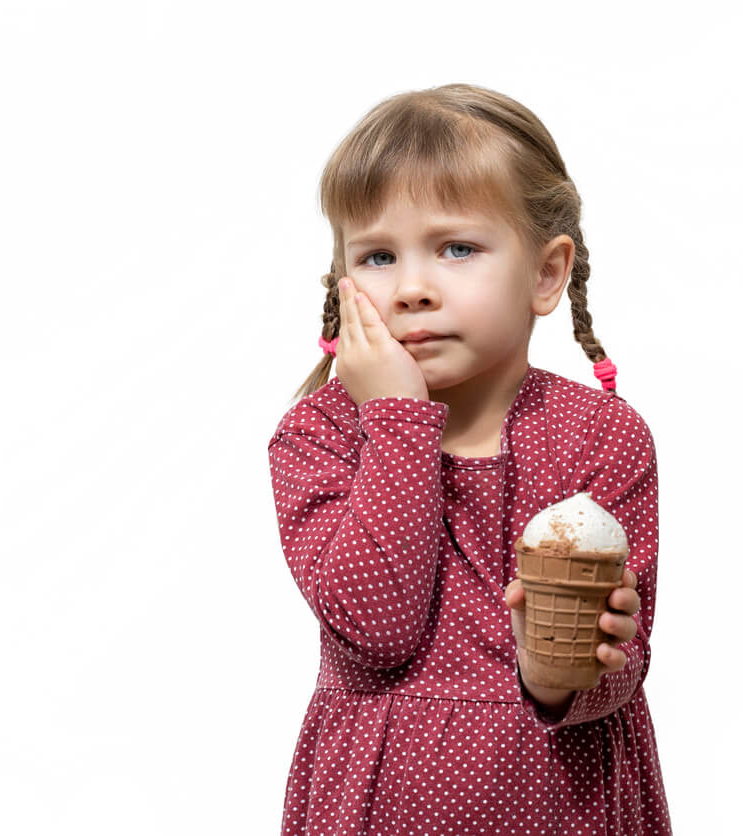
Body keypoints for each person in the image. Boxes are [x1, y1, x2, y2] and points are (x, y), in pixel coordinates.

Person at [268, 83, 670, 835]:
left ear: (546, 274)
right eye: (378, 256)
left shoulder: (601, 436)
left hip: (566, 806)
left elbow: (629, 663)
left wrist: (561, 674)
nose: (413, 289)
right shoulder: (319, 435)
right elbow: (375, 628)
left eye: (457, 249)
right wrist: (397, 420)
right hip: (379, 808)